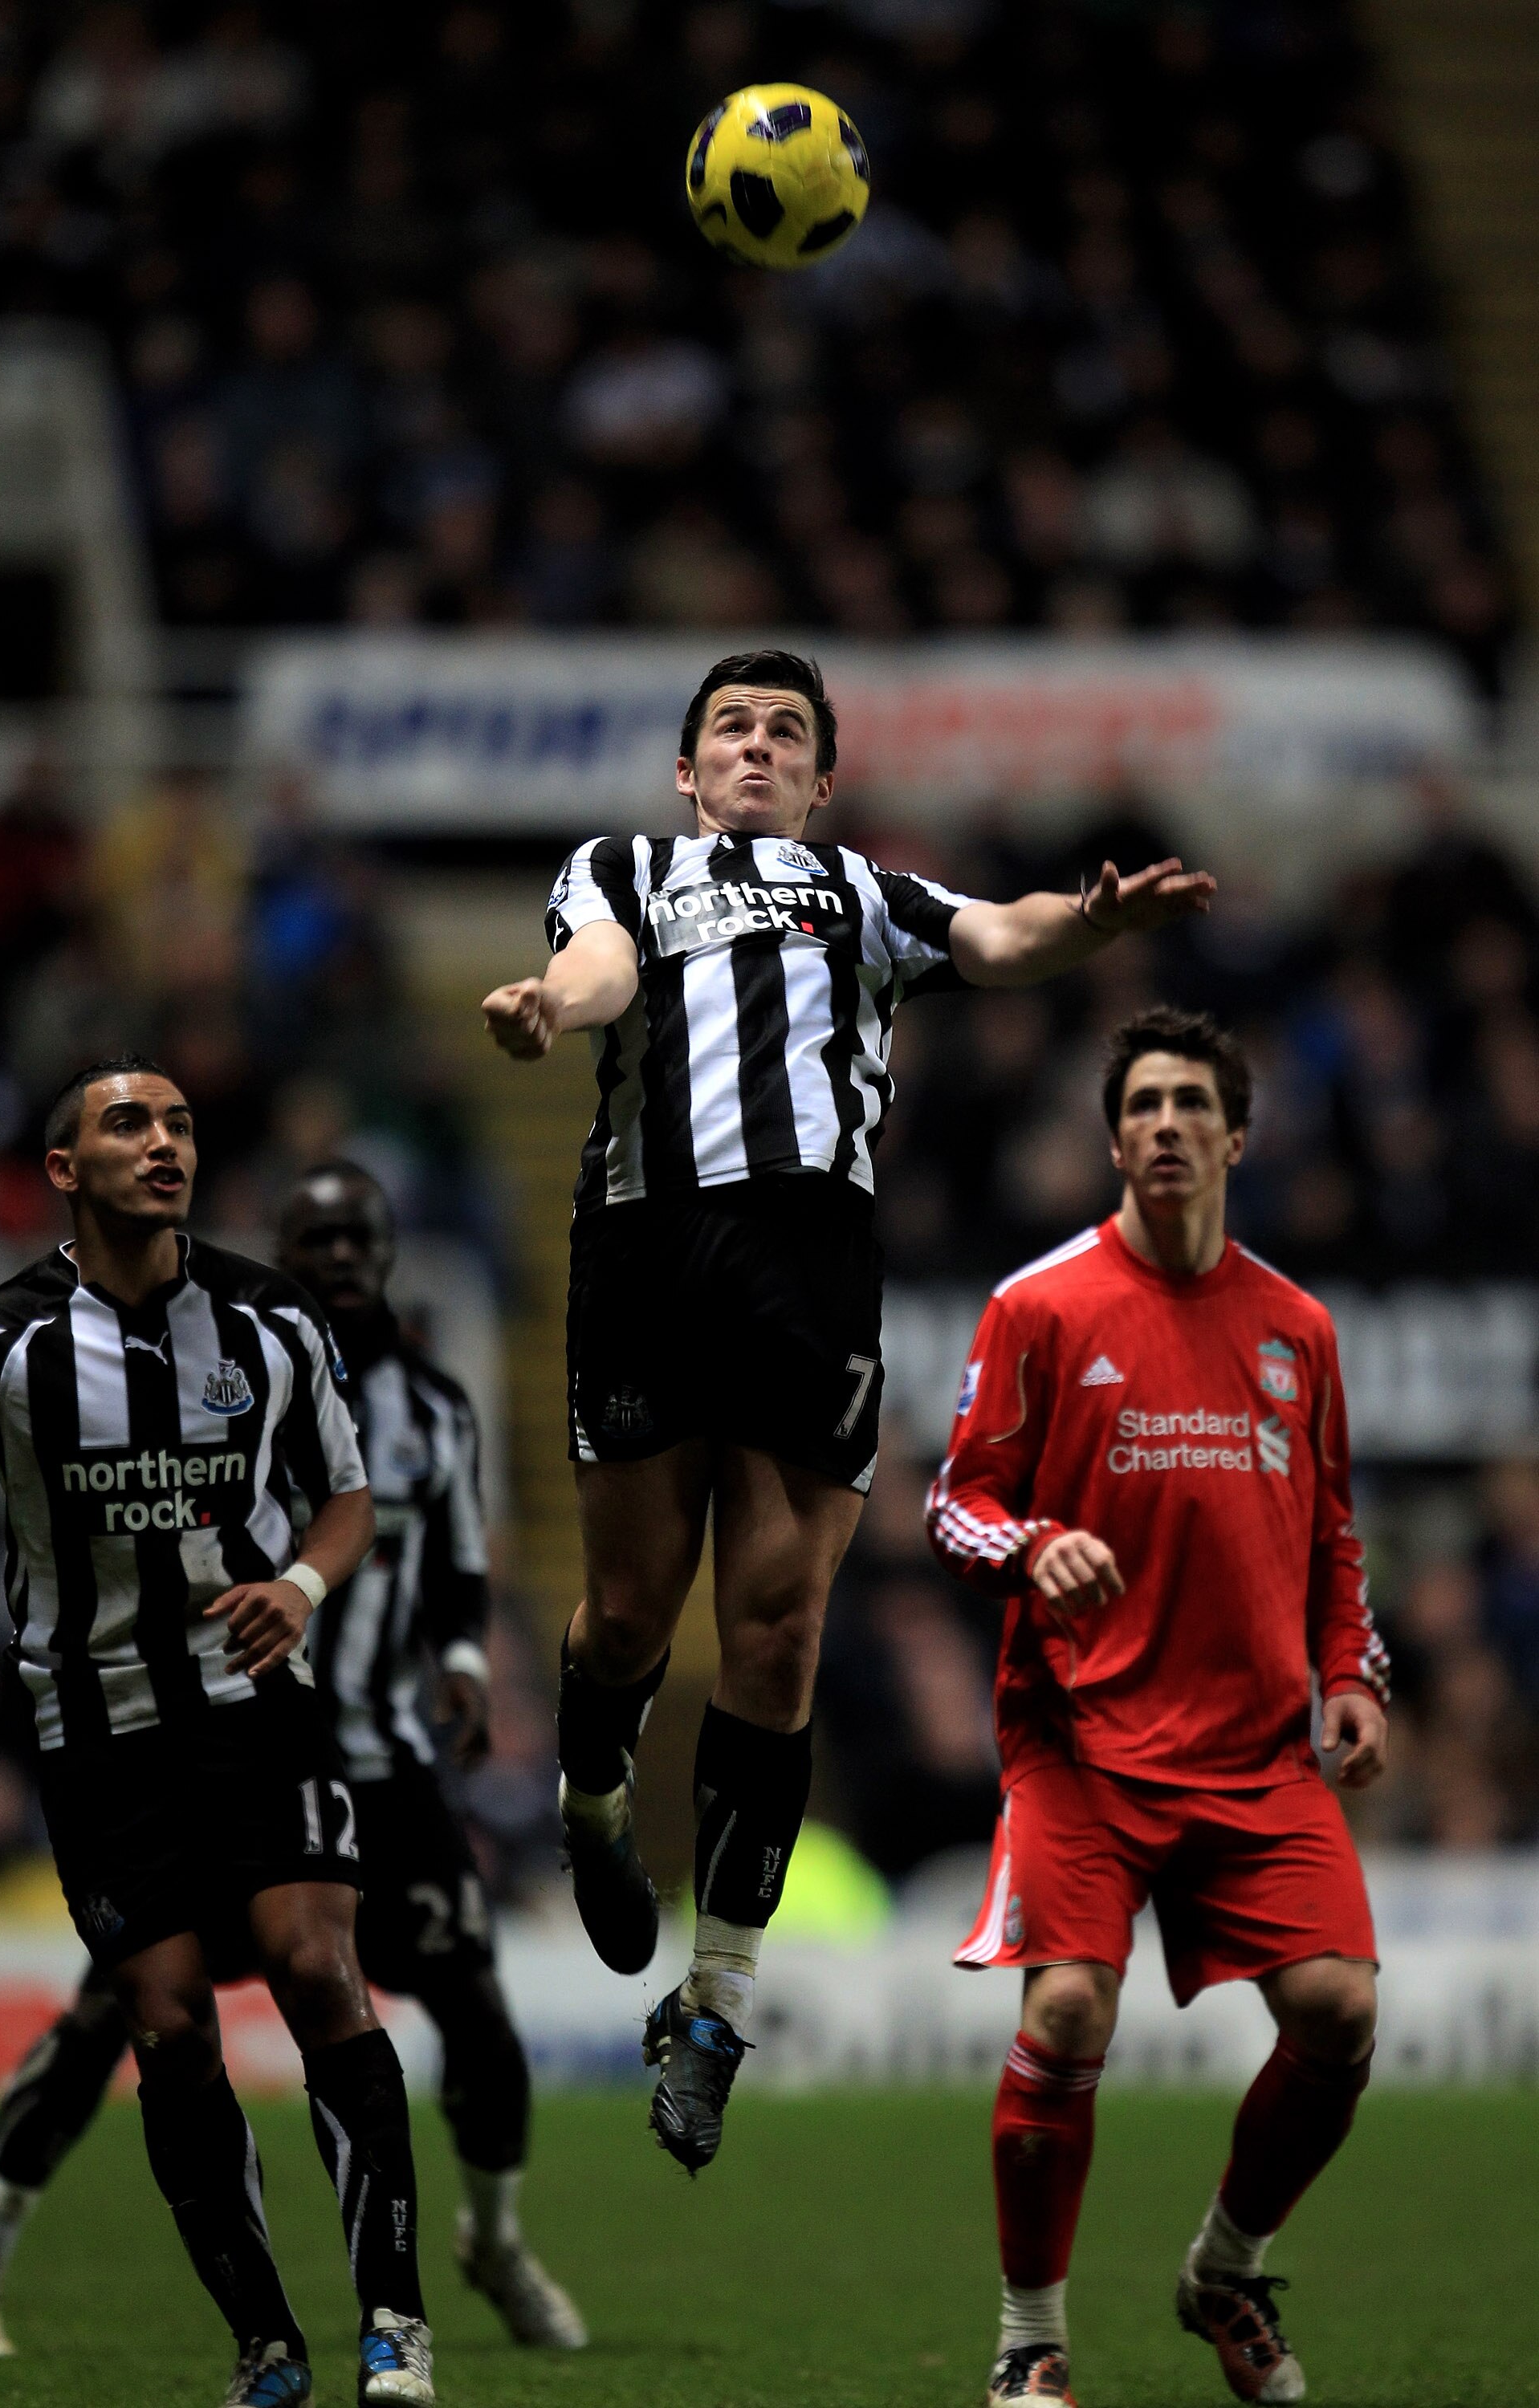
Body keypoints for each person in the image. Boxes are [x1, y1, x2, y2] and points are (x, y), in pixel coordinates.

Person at [481, 648, 1215, 2173]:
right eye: (732, 729)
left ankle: (716, 2001)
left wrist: (1093, 922)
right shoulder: (619, 866)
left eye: (788, 733)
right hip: (645, 1247)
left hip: (812, 1258)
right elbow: (605, 965)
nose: (758, 747)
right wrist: (553, 1001)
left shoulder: (867, 895)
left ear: (823, 781)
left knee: (781, 1628)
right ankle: (592, 1794)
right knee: (628, 1613)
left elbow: (1002, 939)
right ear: (689, 772)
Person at [0, 1161, 585, 2360]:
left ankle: (495, 2240)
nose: (343, 1260)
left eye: (361, 1239)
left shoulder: (431, 1403)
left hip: (379, 1750)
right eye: (318, 1241)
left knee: (469, 1997)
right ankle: (2, 2226)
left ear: (386, 1251)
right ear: (288, 1250)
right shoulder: (235, 1358)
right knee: (133, 2004)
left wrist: (467, 1659)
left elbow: (464, 1563)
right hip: (236, 1728)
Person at [926, 1005, 1390, 2408]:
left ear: (1238, 1136)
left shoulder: (1297, 1328)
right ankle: (1029, 2342)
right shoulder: (1042, 1307)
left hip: (1254, 1750)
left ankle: (1225, 2270)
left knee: (1342, 2016)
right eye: (1143, 1106)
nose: (1168, 1125)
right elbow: (955, 1502)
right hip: (1081, 1741)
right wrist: (1030, 1546)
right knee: (1066, 2016)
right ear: (1114, 1137)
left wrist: (1355, 1676)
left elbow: (1335, 1541)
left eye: (1193, 1103)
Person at [0, 1056, 434, 2408]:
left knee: (316, 1964)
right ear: (66, 1170)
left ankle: (395, 2325)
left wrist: (299, 1587)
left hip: (257, 1709)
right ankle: (266, 2342)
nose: (163, 1142)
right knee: (169, 2021)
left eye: (178, 1121)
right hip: (97, 1727)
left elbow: (347, 1500)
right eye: (128, 1123)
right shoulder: (8, 1346)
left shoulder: (269, 1318)